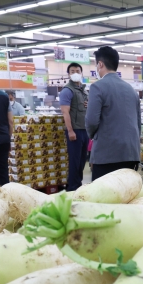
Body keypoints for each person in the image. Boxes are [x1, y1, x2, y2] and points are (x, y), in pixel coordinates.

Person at [85, 46, 140, 181]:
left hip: (107, 153)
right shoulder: (131, 89)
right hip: (130, 152)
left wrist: (93, 137)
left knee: (104, 197)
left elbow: (91, 121)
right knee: (127, 194)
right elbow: (138, 122)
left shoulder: (97, 87)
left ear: (100, 64)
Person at [59, 63, 90, 191]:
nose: (75, 73)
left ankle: (78, 184)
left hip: (85, 129)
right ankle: (72, 187)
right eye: (72, 71)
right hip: (75, 130)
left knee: (83, 161)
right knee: (75, 161)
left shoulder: (83, 89)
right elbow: (65, 112)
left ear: (81, 73)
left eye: (77, 70)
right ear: (68, 74)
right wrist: (70, 131)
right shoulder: (67, 90)